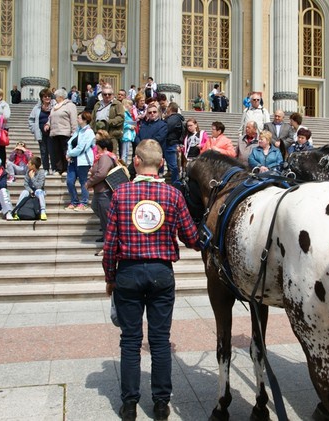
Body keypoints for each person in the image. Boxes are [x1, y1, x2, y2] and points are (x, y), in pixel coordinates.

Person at [102, 139, 201, 421]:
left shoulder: (121, 194)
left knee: (130, 341)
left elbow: (110, 245)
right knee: (159, 341)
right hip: (161, 272)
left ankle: (130, 404)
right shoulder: (173, 195)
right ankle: (160, 404)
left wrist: (110, 276)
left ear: (135, 162)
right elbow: (191, 238)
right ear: (161, 164)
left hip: (129, 272)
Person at [85, 136, 117, 253]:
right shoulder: (103, 157)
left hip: (104, 191)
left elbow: (102, 173)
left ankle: (109, 243)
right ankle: (106, 236)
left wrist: (89, 182)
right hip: (100, 191)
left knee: (106, 217)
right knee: (97, 209)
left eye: (98, 148)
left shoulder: (105, 157)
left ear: (104, 148)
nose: (96, 151)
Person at [65, 111, 95, 211]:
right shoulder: (78, 130)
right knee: (70, 181)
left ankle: (84, 202)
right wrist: (68, 153)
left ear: (85, 120)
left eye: (79, 118)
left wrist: (70, 153)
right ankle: (74, 201)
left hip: (83, 161)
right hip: (73, 160)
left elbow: (81, 147)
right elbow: (70, 143)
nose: (77, 119)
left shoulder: (89, 132)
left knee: (83, 181)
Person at [44, 88, 78, 175]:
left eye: (56, 96)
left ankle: (67, 169)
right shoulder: (55, 106)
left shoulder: (70, 105)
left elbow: (74, 120)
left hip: (65, 133)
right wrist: (48, 124)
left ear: (61, 96)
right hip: (55, 133)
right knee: (57, 152)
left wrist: (74, 134)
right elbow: (51, 118)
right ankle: (59, 169)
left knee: (65, 151)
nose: (54, 98)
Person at [90, 85, 124, 154]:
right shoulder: (97, 104)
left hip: (111, 134)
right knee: (97, 154)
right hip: (98, 134)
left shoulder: (117, 104)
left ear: (113, 95)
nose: (107, 96)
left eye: (109, 94)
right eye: (105, 94)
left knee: (110, 155)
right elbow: (92, 118)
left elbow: (121, 117)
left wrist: (108, 122)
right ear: (102, 95)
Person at [28, 89, 55, 174]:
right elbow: (31, 120)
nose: (47, 98)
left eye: (49, 96)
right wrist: (34, 129)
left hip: (52, 132)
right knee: (43, 152)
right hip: (41, 133)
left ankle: (54, 168)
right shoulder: (37, 108)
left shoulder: (55, 106)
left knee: (52, 151)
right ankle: (46, 169)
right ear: (42, 98)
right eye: (45, 96)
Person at [14, 156, 47, 221]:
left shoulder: (41, 173)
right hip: (30, 191)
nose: (27, 165)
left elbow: (39, 186)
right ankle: (16, 211)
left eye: (29, 163)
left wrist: (32, 177)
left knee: (39, 191)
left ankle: (43, 211)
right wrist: (30, 190)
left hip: (39, 191)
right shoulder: (27, 171)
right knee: (24, 192)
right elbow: (25, 184)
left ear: (33, 165)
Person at [163, 102, 184, 186]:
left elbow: (166, 128)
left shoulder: (173, 118)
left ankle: (176, 183)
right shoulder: (175, 118)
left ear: (170, 108)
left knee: (173, 165)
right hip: (170, 143)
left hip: (170, 143)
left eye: (168, 107)